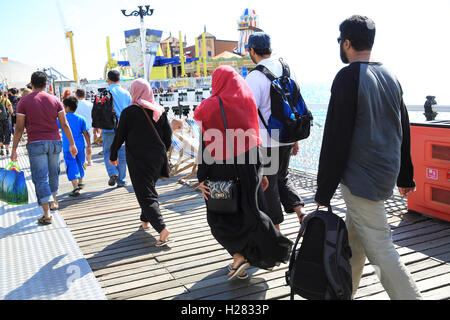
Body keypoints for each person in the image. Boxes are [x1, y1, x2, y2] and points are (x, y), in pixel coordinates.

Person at [314, 15, 422, 300]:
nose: (340, 46)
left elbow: (335, 139)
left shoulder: (348, 77)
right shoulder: (390, 75)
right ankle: (343, 293)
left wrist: (323, 190)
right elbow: (404, 128)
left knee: (380, 247)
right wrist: (405, 175)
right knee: (354, 238)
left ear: (347, 42)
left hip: (362, 179)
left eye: (340, 41)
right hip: (384, 173)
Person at [195, 65, 293, 280]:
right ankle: (262, 251)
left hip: (222, 168)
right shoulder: (246, 99)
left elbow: (206, 142)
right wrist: (264, 172)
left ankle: (240, 255)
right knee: (250, 211)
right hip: (250, 166)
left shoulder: (209, 106)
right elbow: (255, 135)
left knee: (220, 216)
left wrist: (201, 177)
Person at [245, 32, 306, 230]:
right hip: (288, 136)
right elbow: (294, 105)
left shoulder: (254, 76)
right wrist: (295, 138)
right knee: (283, 176)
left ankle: (277, 232)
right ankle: (301, 213)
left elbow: (249, 112)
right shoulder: (287, 69)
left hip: (267, 140)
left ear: (252, 50)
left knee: (268, 184)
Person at [109, 79, 173, 247]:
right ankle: (145, 220)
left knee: (146, 194)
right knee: (148, 188)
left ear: (134, 91)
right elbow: (168, 136)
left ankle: (162, 228)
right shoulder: (159, 110)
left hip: (139, 159)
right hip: (158, 158)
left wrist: (113, 154)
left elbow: (120, 136)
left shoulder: (129, 112)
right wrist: (161, 153)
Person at [11, 71, 78, 225]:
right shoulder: (55, 101)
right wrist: (72, 143)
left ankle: (47, 214)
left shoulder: (23, 102)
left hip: (36, 143)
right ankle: (53, 201)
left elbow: (19, 128)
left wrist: (14, 149)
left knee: (40, 177)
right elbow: (64, 124)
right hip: (55, 141)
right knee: (54, 173)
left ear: (31, 84)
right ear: (46, 84)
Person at [58, 96, 92, 196]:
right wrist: (89, 145)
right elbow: (86, 133)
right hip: (80, 146)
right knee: (80, 163)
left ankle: (75, 187)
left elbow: (56, 127)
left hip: (68, 146)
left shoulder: (62, 119)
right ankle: (81, 181)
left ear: (67, 108)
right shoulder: (81, 118)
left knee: (71, 165)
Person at [102, 70, 131, 188]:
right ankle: (122, 180)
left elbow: (100, 111)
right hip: (122, 127)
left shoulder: (104, 93)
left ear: (108, 79)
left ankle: (113, 171)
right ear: (120, 79)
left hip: (108, 127)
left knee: (108, 151)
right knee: (122, 153)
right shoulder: (126, 93)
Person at [74, 88, 94, 166]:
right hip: (89, 126)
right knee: (88, 145)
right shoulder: (90, 104)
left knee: (79, 145)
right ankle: (89, 161)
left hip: (77, 127)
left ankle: (83, 161)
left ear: (76, 95)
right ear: (84, 95)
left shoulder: (74, 104)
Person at [0, 91, 14, 156]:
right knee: (7, 134)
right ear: (2, 94)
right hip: (6, 120)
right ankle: (7, 149)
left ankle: (1, 149)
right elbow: (11, 111)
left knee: (0, 135)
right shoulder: (6, 100)